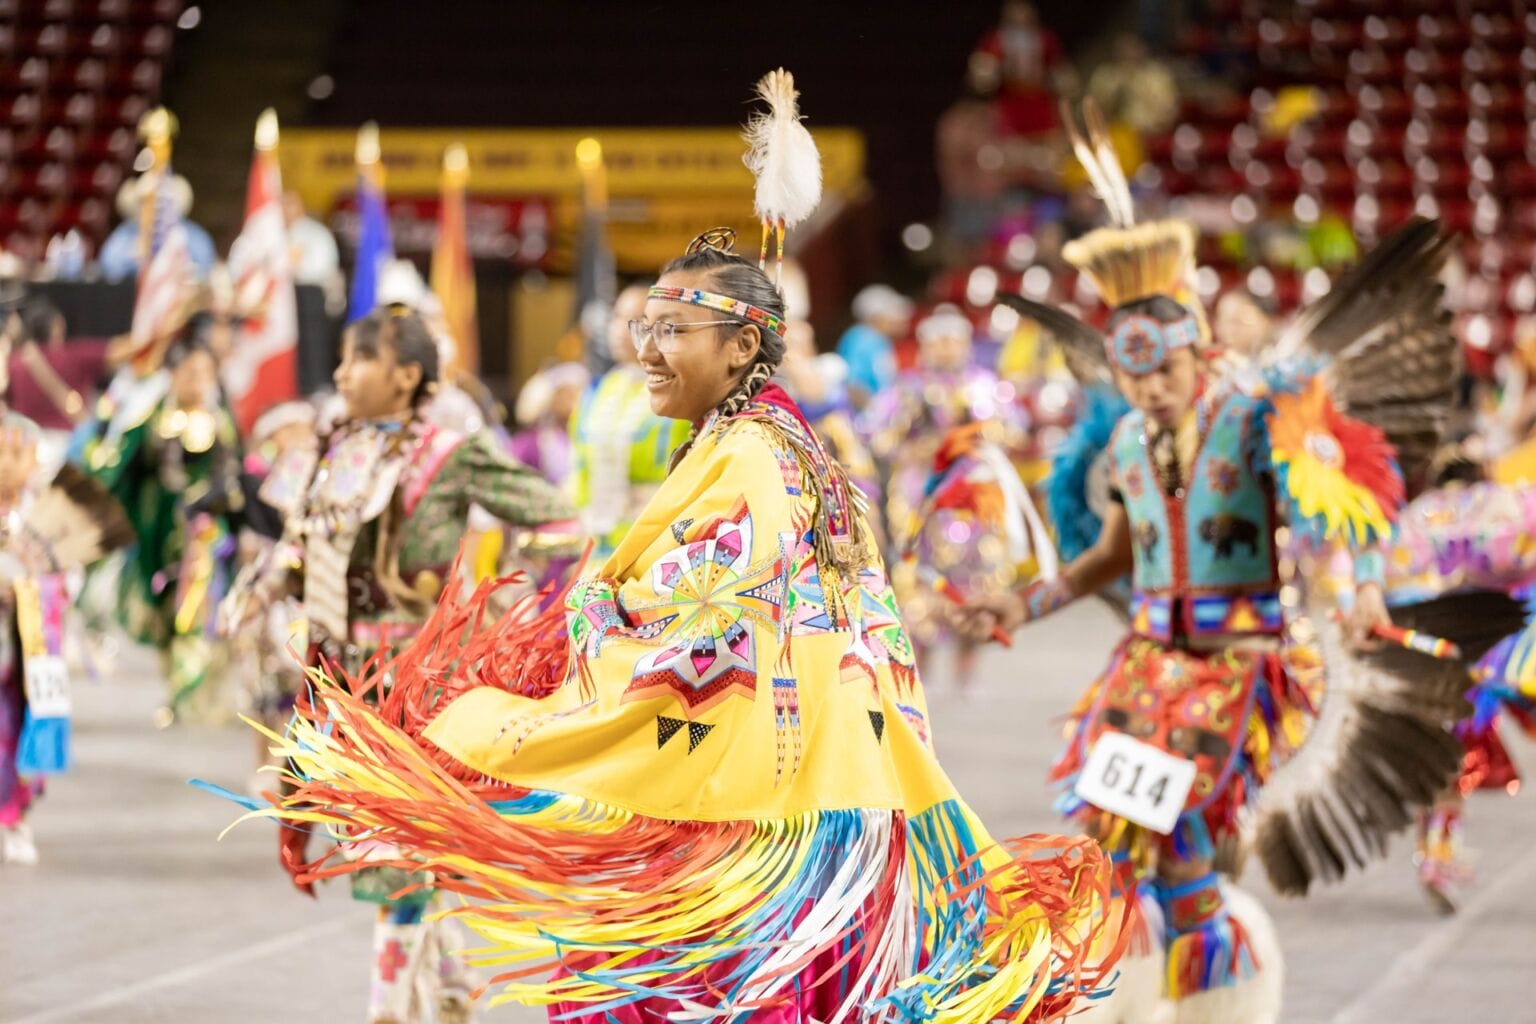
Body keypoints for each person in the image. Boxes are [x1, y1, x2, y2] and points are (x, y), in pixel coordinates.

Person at [234, 230, 1117, 1022]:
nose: (647, 351)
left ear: (741, 347)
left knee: (653, 992)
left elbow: (697, 628)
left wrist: (581, 621)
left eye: (672, 331)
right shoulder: (763, 439)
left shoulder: (755, 459)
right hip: (808, 791)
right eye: (645, 328)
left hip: (752, 813)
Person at [970, 214, 1459, 1022]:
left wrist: (1365, 582)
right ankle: (1122, 993)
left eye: (1164, 371)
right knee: (1112, 844)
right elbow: (1112, 560)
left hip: (1238, 666)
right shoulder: (1128, 440)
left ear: (1198, 354)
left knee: (1186, 849)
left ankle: (1214, 999)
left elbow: (1350, 489)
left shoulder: (1254, 418)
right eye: (1134, 380)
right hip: (1144, 664)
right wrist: (1022, 602)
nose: (1151, 390)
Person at [222, 304, 576, 1024]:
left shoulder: (451, 453)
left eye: (359, 359)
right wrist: (261, 588)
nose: (342, 373)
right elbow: (298, 543)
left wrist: (500, 599)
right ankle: (448, 987)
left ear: (406, 375)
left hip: (419, 681)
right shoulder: (335, 448)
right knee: (394, 845)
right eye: (346, 360)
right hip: (342, 678)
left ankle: (388, 1011)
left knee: (398, 849)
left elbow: (558, 518)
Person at [82, 316, 242, 722]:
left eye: (206, 372)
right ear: (171, 374)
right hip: (159, 531)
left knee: (196, 607)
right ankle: (176, 681)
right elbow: (121, 471)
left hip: (204, 533)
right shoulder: (150, 419)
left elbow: (234, 473)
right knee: (164, 611)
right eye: (190, 371)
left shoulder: (221, 421)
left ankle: (188, 692)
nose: (198, 380)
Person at [865, 305, 1026, 692]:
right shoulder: (906, 387)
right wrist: (914, 444)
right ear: (924, 346)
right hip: (922, 498)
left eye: (954, 341)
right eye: (938, 341)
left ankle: (966, 671)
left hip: (974, 499)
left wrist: (978, 436)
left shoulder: (984, 384)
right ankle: (915, 674)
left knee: (977, 582)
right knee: (918, 583)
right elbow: (875, 434)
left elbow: (1015, 430)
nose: (946, 349)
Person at [568, 283, 693, 556]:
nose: (622, 329)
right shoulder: (598, 391)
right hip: (593, 546)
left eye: (637, 320)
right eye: (616, 317)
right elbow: (578, 471)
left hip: (655, 546)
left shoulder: (684, 391)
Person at [98, 175, 218, 283]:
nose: (155, 207)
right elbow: (108, 267)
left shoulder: (193, 235)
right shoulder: (127, 233)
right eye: (147, 201)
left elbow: (205, 269)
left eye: (162, 202)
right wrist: (133, 255)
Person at [509, 362, 588, 487]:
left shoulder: (586, 438)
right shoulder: (532, 443)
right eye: (566, 394)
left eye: (578, 393)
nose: (574, 401)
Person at [1087, 32, 1180, 138]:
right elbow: (1095, 109)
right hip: (1115, 134)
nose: (1128, 52)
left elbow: (1169, 110)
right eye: (1123, 48)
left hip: (1151, 134)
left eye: (1132, 47)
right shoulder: (1104, 76)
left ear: (1141, 48)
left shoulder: (1158, 75)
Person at [835, 284, 910, 407]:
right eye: (892, 314)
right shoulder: (861, 339)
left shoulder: (880, 340)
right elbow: (853, 385)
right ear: (876, 317)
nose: (899, 319)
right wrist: (872, 415)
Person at [282, 190, 342, 287]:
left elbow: (318, 271)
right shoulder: (276, 231)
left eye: (289, 203)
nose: (283, 208)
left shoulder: (315, 233)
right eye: (281, 203)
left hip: (312, 288)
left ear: (301, 207)